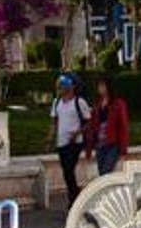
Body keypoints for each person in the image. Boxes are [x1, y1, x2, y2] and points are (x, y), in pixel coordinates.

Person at [49, 73, 91, 207]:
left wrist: (77, 133)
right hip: (61, 142)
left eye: (63, 86)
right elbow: (54, 122)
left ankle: (74, 198)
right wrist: (50, 137)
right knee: (67, 172)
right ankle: (75, 195)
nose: (61, 89)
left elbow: (88, 122)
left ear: (72, 87)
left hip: (75, 142)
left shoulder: (79, 102)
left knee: (68, 169)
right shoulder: (57, 103)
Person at [85, 75, 129, 175]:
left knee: (106, 171)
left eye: (102, 85)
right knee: (102, 173)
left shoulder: (118, 103)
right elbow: (92, 126)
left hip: (112, 144)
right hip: (99, 143)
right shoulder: (97, 104)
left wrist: (123, 150)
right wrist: (89, 148)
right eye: (99, 86)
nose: (99, 88)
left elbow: (123, 126)